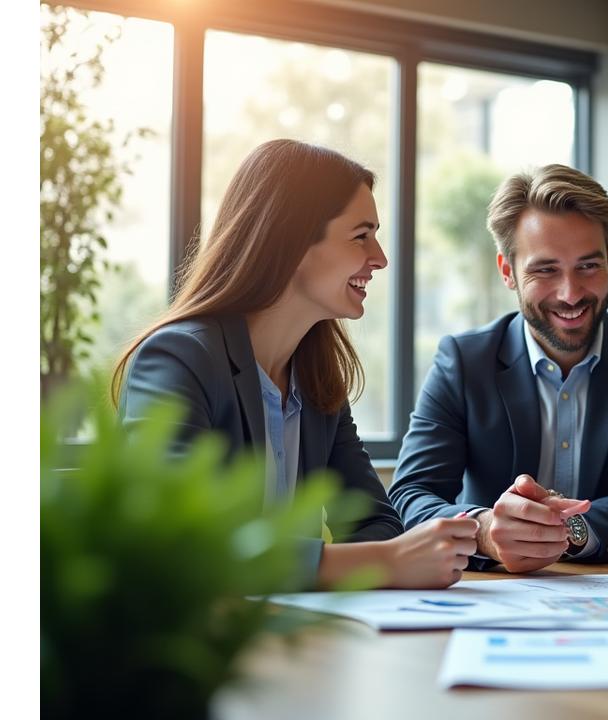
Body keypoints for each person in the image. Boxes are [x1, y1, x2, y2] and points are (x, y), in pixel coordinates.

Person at [115, 139, 477, 590]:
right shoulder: (177, 360)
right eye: (361, 236)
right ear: (290, 239)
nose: (380, 258)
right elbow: (180, 547)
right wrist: (384, 562)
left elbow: (376, 522)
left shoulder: (317, 378)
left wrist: (386, 554)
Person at [390, 164, 608, 572]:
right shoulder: (463, 362)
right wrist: (485, 529)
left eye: (588, 266)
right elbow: (412, 493)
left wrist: (572, 529)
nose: (570, 293)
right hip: (496, 590)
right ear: (508, 272)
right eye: (545, 270)